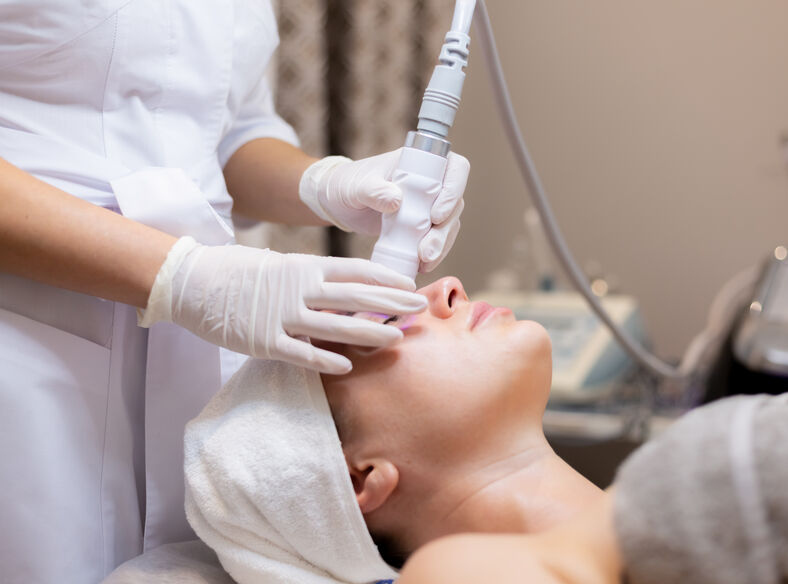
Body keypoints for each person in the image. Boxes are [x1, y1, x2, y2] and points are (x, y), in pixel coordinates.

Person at [0, 2, 468, 583]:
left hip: (188, 351)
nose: (447, 292)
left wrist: (325, 184)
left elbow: (223, 130)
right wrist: (186, 277)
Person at [318, 277, 788, 583]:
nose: (447, 287)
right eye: (390, 322)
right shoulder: (448, 573)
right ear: (360, 475)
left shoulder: (663, 480)